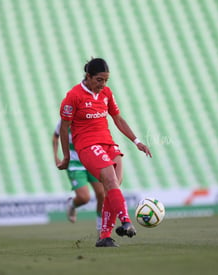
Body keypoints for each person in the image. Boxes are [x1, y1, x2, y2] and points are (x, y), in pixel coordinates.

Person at [58, 58, 152, 247]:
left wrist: (137, 141)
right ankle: (126, 221)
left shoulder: (106, 93)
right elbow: (63, 128)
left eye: (106, 80)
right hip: (87, 146)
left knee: (114, 185)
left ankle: (104, 237)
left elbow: (117, 119)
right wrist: (67, 156)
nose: (103, 85)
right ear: (88, 76)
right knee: (110, 180)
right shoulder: (73, 96)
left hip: (108, 144)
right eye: (99, 80)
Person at [53, 119, 105, 234]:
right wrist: (56, 156)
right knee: (84, 198)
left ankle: (101, 228)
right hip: (74, 164)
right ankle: (71, 204)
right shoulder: (64, 121)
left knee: (102, 194)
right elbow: (55, 137)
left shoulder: (88, 118)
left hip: (90, 160)